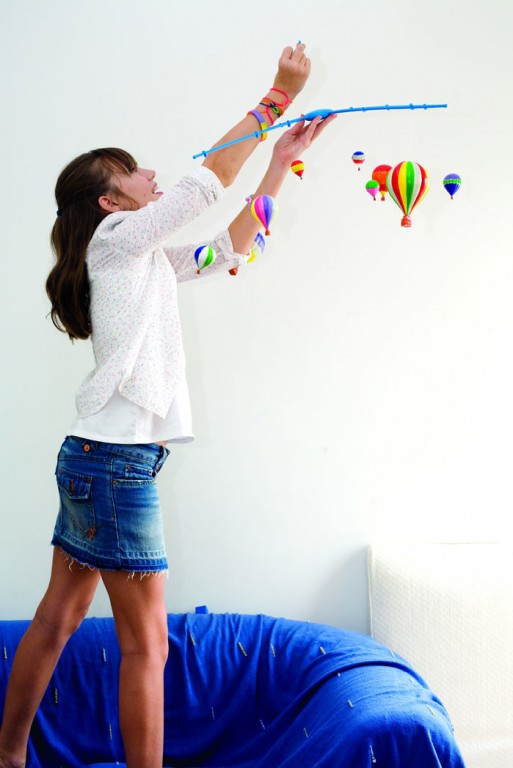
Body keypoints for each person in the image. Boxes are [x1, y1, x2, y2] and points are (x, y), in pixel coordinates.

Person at [0, 43, 335, 768]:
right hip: (116, 466)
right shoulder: (117, 241)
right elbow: (206, 182)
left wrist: (279, 164)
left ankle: (10, 755)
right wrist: (277, 96)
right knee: (146, 645)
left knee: (58, 619)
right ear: (110, 202)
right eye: (133, 170)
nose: (150, 173)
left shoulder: (140, 259)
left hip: (95, 458)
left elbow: (232, 248)